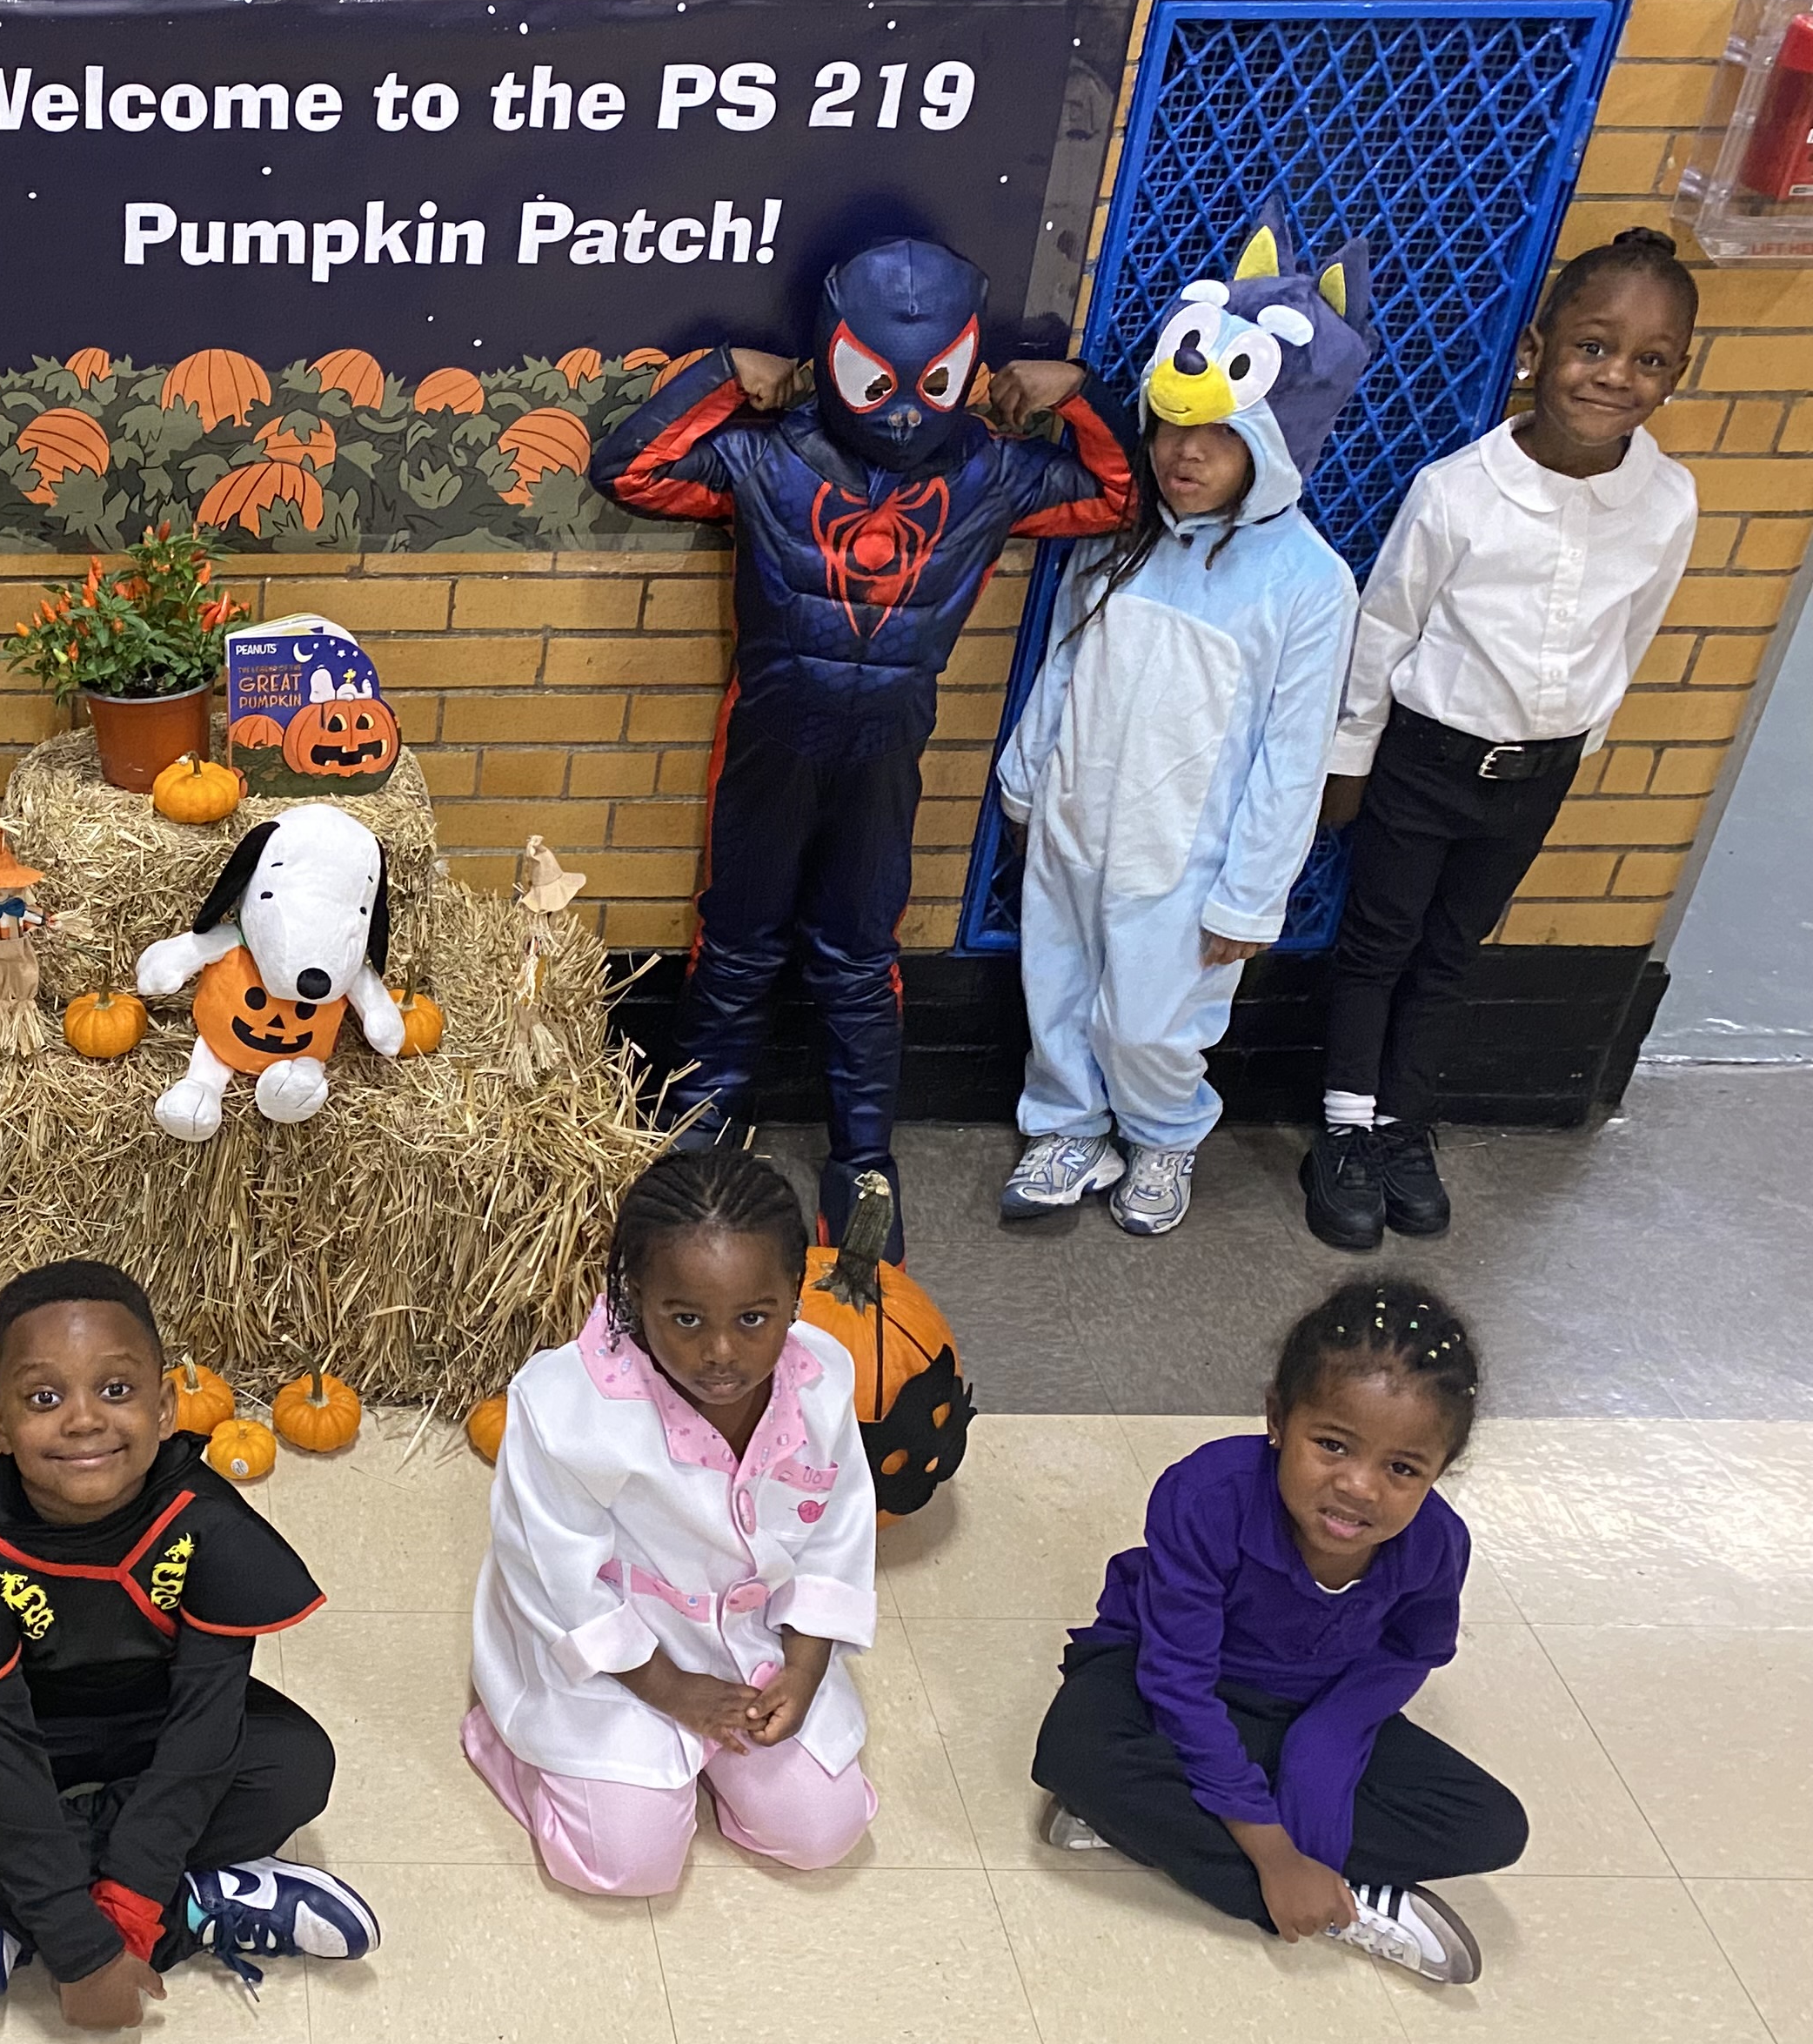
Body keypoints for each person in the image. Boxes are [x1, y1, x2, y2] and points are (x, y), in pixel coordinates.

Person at [591, 238, 1135, 1259]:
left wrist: (1077, 390)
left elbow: (1122, 498)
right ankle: (698, 1132)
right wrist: (724, 374)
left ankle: (866, 1158)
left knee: (859, 953)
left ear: (967, 365)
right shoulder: (766, 459)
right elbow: (628, 469)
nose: (905, 411)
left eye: (933, 382)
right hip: (771, 745)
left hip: (882, 758)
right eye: (878, 380)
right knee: (737, 938)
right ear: (832, 353)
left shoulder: (991, 474)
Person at [1302, 228, 1699, 1250]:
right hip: (1426, 757)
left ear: (1676, 377)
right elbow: (1386, 626)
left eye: (1649, 360)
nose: (1615, 376)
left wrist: (1580, 741)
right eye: (1594, 347)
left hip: (1537, 772)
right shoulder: (1460, 491)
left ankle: (1402, 1123)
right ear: (1537, 350)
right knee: (1379, 942)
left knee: (1451, 950)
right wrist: (1349, 758)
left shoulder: (1668, 501)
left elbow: (1637, 627)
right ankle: (1343, 1129)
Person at [997, 216, 1375, 1237]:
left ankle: (1162, 1138)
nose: (1185, 453)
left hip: (1188, 862)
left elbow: (1294, 755)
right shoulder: (1122, 541)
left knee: (1154, 1025)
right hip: (1076, 826)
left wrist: (1251, 895)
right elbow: (1064, 664)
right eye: (1170, 428)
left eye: (1218, 435)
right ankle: (1066, 1127)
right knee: (1058, 989)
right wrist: (1027, 783)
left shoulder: (1309, 584)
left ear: (1274, 442)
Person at [0, 1260, 377, 2023]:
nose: (83, 1420)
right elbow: (2, 1756)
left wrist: (126, 1906)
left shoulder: (201, 1518)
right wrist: (83, 1952)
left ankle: (29, 1913)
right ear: (0, 1423)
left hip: (162, 1717)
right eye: (44, 1399)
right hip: (28, 1734)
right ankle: (199, 1904)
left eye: (115, 1389)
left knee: (297, 1766)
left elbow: (205, 1726)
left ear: (166, 1406)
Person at [1031, 1280, 1526, 1984]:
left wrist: (1324, 1745)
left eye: (1402, 1468)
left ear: (1438, 1472)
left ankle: (1162, 1833)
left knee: (1492, 1825)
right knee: (1075, 1748)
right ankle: (1343, 1903)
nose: (1359, 1486)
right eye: (1332, 1445)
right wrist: (1275, 1853)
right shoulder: (1207, 1495)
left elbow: (1409, 1653)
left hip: (1307, 1703)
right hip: (1166, 1676)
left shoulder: (1436, 1544)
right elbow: (1178, 1680)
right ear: (1277, 1419)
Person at [466, 1150, 881, 1897]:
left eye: (753, 1319)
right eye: (685, 1319)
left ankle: (704, 1771)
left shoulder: (822, 1382)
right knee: (630, 1866)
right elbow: (554, 1576)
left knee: (825, 1831)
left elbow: (836, 1531)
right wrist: (668, 1689)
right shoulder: (566, 1410)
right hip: (617, 1648)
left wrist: (804, 1666)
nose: (720, 1353)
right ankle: (514, 1747)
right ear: (635, 1296)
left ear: (796, 1292)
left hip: (750, 1640)